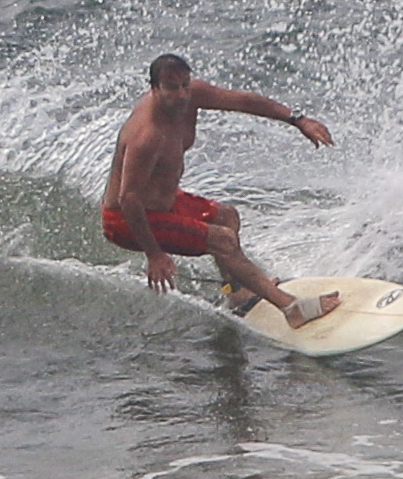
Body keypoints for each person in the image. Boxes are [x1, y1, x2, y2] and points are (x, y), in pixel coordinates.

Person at [100, 53, 340, 328]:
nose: (181, 94)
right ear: (154, 89)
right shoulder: (147, 135)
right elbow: (128, 198)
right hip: (126, 219)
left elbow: (244, 101)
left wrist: (298, 120)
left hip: (160, 204)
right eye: (171, 87)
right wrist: (154, 254)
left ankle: (237, 295)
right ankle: (291, 308)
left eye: (185, 85)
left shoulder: (192, 96)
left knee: (227, 217)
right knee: (223, 241)